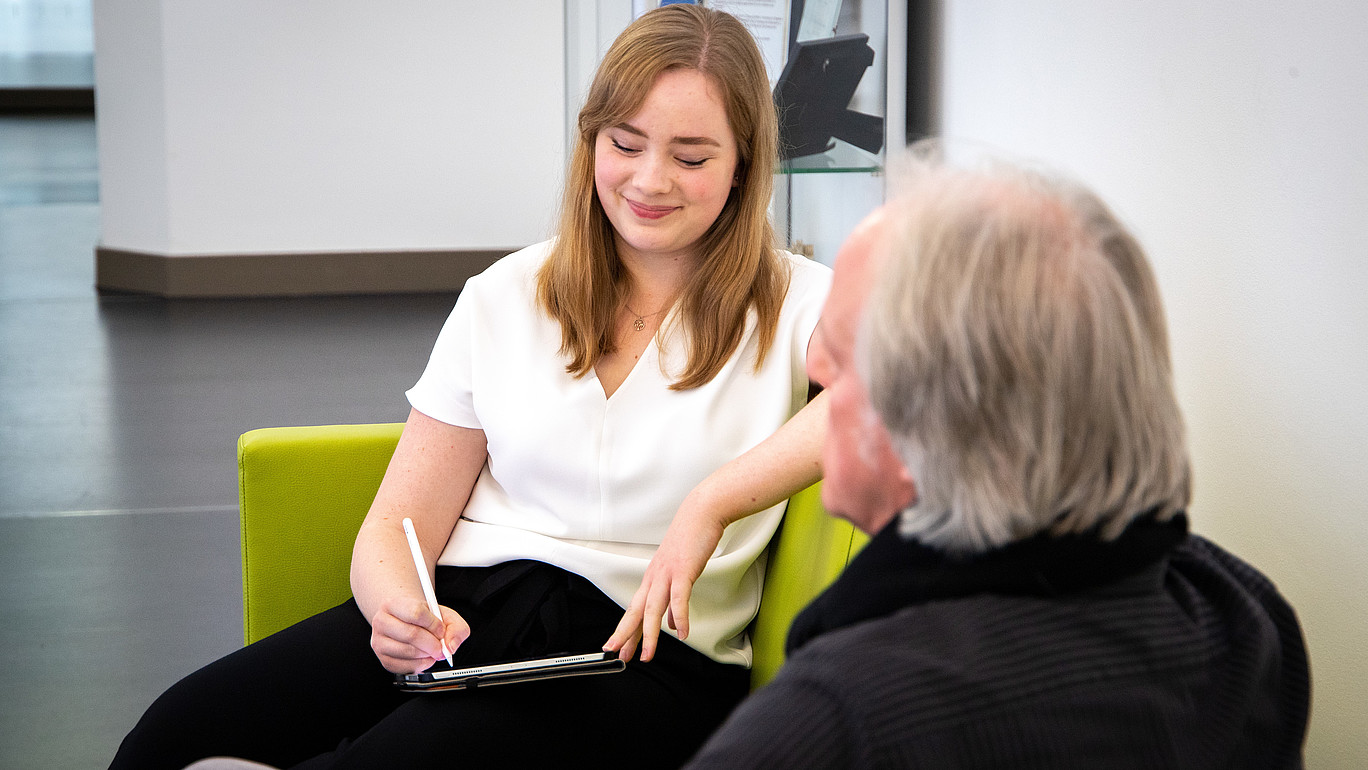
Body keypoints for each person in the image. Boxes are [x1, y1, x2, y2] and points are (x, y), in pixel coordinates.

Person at [109, 6, 831, 769]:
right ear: (591, 144)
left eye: (692, 158)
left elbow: (899, 390)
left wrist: (713, 502)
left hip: (642, 657)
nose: (650, 180)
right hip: (469, 613)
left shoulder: (800, 302)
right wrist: (399, 609)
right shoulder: (506, 292)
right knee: (169, 738)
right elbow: (395, 525)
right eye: (624, 144)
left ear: (745, 165)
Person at [685, 147, 1311, 768]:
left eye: (842, 356)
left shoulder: (840, 721)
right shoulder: (1247, 621)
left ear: (927, 427)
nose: (815, 369)